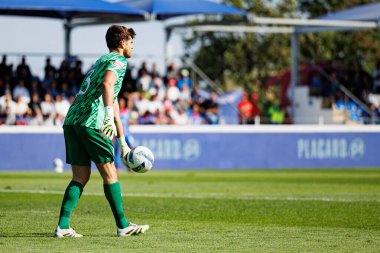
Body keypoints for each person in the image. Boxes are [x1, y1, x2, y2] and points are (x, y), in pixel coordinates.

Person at [54, 25, 149, 238]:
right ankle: (123, 225)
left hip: (73, 120)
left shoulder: (101, 61)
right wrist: (106, 117)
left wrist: (123, 143)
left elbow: (112, 99)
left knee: (80, 176)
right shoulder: (119, 61)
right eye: (131, 42)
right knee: (110, 172)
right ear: (123, 43)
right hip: (92, 121)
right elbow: (108, 86)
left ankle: (63, 227)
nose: (133, 47)